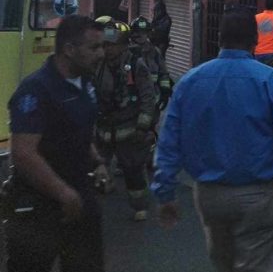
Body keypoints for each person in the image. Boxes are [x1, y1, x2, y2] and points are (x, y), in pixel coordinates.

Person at [152, 8, 273, 272]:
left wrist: (165, 192)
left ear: (219, 39)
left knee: (222, 262)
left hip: (209, 196)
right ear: (254, 40)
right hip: (257, 196)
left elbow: (169, 140)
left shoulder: (191, 81)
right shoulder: (271, 81)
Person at [4, 16, 107, 272]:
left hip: (79, 196)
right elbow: (23, 153)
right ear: (69, 49)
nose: (102, 54)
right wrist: (62, 192)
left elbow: (79, 130)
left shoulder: (86, 83)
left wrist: (97, 161)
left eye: (102, 46)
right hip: (38, 205)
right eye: (94, 47)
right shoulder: (36, 89)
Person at [94, 18, 157, 221]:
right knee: (96, 165)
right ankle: (102, 191)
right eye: (104, 45)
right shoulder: (98, 65)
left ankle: (140, 206)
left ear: (123, 45)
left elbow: (147, 96)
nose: (107, 49)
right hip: (103, 127)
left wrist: (143, 126)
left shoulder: (136, 65)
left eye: (111, 45)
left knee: (132, 169)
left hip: (128, 128)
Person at [130, 15, 173, 123]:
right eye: (138, 32)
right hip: (132, 99)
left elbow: (163, 73)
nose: (141, 35)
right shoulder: (127, 52)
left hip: (153, 99)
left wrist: (165, 91)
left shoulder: (154, 52)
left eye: (144, 32)